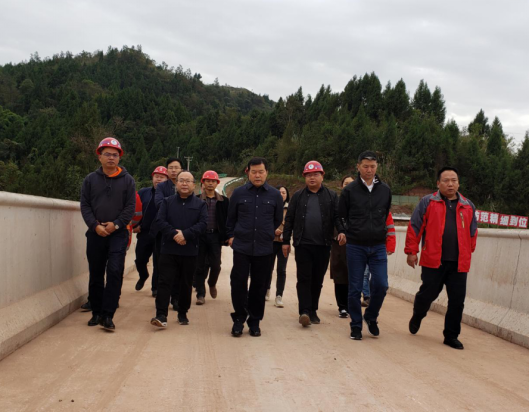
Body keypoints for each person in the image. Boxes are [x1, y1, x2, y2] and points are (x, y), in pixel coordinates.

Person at [406, 167, 478, 350]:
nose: (450, 184)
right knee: (427, 294)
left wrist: (468, 251)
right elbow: (415, 227)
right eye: (446, 180)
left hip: (459, 263)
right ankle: (418, 314)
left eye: (454, 180)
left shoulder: (468, 205)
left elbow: (473, 232)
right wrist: (411, 251)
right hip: (433, 260)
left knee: (457, 301)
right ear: (438, 183)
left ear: (458, 183)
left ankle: (451, 336)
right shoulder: (428, 202)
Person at [80, 138, 136, 331]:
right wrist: (95, 225)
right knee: (96, 273)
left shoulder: (128, 180)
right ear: (100, 156)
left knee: (114, 271)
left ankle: (108, 314)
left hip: (118, 234)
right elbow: (85, 205)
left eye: (115, 155)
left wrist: (117, 224)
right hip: (95, 233)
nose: (111, 158)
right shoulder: (90, 180)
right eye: (107, 154)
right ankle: (96, 312)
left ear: (119, 157)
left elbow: (130, 207)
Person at [283, 161, 346, 327]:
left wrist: (341, 231)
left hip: (323, 245)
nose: (312, 178)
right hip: (303, 244)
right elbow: (289, 219)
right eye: (309, 175)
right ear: (304, 177)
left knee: (317, 280)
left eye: (315, 174)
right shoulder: (298, 196)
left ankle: (313, 311)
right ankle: (304, 311)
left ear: (322, 176)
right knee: (304, 278)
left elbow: (337, 216)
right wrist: (286, 241)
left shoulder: (331, 196)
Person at [226, 158, 283, 338]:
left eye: (261, 172)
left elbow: (277, 219)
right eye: (254, 172)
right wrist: (231, 236)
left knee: (259, 285)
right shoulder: (238, 193)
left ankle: (255, 321)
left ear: (267, 173)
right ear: (248, 172)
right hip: (242, 246)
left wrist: (267, 233)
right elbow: (231, 218)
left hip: (264, 247)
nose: (257, 175)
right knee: (238, 283)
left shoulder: (275, 195)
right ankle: (239, 318)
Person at [339, 151, 393, 341]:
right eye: (365, 166)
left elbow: (385, 214)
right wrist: (346, 231)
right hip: (356, 245)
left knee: (381, 285)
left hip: (378, 245)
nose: (369, 170)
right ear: (358, 167)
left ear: (377, 167)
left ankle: (370, 316)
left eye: (372, 167)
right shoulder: (349, 190)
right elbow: (341, 215)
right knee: (354, 288)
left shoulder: (385, 190)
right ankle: (355, 325)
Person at [151, 172, 208, 328]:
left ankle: (182, 312)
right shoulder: (167, 202)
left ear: (194, 185)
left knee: (186, 283)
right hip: (168, 249)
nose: (184, 183)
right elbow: (160, 221)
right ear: (176, 184)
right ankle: (161, 314)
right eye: (181, 180)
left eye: (188, 181)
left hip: (189, 250)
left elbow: (203, 224)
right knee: (164, 282)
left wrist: (186, 235)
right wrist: (174, 234)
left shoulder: (200, 204)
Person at [194, 171, 230, 305]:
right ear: (203, 183)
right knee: (199, 266)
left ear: (217, 183)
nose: (210, 183)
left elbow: (228, 220)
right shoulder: (196, 200)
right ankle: (200, 294)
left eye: (213, 181)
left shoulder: (224, 201)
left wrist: (228, 236)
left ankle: (212, 283)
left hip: (215, 236)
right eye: (207, 181)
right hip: (200, 236)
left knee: (216, 265)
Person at [152, 158, 184, 302]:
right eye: (170, 167)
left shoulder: (185, 184)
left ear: (181, 170)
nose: (173, 170)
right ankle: (162, 296)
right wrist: (179, 207)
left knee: (179, 265)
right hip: (163, 231)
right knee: (162, 264)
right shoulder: (161, 187)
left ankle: (176, 297)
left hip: (182, 230)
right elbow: (159, 203)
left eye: (176, 167)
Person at [134, 167, 168, 293]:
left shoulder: (169, 194)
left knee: (158, 262)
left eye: (162, 177)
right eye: (156, 176)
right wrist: (135, 225)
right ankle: (143, 275)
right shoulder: (143, 192)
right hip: (144, 232)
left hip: (160, 234)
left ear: (167, 180)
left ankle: (155, 288)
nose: (158, 179)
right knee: (140, 259)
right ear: (152, 178)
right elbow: (135, 209)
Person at [331, 176, 355, 319]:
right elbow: (331, 220)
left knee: (354, 276)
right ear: (341, 186)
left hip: (356, 244)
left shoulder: (360, 202)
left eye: (351, 184)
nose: (348, 186)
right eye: (345, 184)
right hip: (339, 244)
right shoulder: (336, 203)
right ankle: (342, 307)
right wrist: (336, 236)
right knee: (340, 275)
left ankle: (352, 305)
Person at [267, 186, 290, 308]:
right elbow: (265, 221)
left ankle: (279, 296)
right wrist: (273, 230)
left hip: (283, 243)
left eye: (284, 192)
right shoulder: (270, 205)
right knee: (268, 268)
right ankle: (266, 289)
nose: (281, 194)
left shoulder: (290, 208)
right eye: (279, 192)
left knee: (281, 270)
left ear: (287, 195)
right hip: (270, 242)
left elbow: (292, 224)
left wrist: (284, 233)